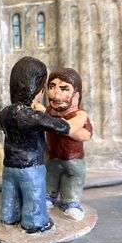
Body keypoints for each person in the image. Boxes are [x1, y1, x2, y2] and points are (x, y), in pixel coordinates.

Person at [0, 57, 88, 233]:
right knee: (34, 196)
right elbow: (65, 127)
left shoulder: (7, 111)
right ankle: (35, 223)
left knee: (10, 195)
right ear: (37, 89)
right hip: (31, 167)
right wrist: (81, 116)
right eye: (45, 87)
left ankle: (8, 217)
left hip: (9, 167)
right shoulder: (33, 116)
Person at [45, 68, 92, 221]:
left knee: (73, 178)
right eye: (52, 87)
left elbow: (86, 134)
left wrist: (63, 128)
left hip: (73, 158)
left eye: (64, 89)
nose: (55, 94)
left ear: (76, 95)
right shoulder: (49, 112)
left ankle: (71, 202)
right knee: (50, 176)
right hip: (52, 156)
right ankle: (49, 196)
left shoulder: (79, 115)